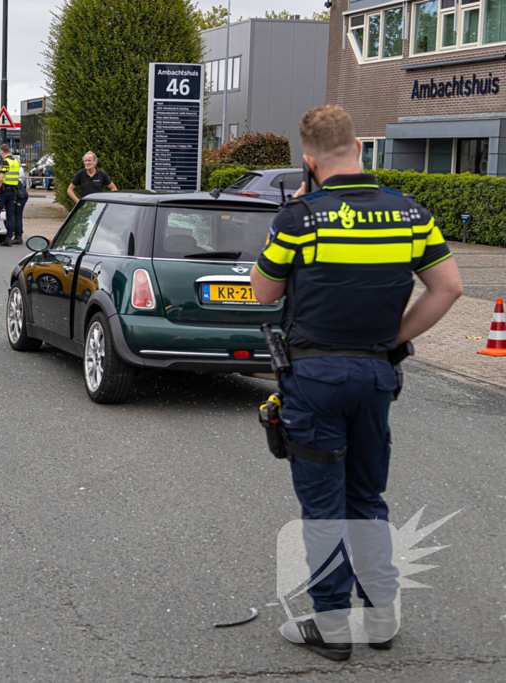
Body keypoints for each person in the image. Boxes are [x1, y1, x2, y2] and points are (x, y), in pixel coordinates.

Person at [250, 105, 462, 662]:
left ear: (310, 161)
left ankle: (333, 625)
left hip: (314, 377)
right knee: (367, 496)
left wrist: (293, 210)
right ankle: (383, 616)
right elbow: (449, 288)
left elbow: (263, 293)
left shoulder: (300, 219)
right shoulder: (410, 213)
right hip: (375, 375)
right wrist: (393, 339)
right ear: (361, 151)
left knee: (324, 506)